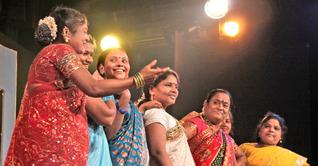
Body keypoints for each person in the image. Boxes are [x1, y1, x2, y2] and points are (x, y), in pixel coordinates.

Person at [5, 6, 167, 165]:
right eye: (84, 31)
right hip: (53, 149)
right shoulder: (60, 50)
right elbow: (94, 88)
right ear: (67, 33)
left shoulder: (52, 55)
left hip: (54, 149)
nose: (86, 36)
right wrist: (137, 79)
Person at [96, 48, 150, 165]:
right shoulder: (100, 97)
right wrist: (124, 100)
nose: (120, 63)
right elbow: (108, 135)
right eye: (113, 60)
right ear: (102, 68)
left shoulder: (131, 104)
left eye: (124, 61)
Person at [141, 70, 195, 166]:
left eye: (176, 86)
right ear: (152, 89)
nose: (174, 90)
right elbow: (157, 152)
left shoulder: (162, 114)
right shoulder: (155, 113)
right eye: (168, 85)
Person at [182, 88, 237, 166]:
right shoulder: (195, 124)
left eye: (225, 105)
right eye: (215, 103)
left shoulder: (226, 138)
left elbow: (241, 156)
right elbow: (171, 144)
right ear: (205, 104)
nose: (220, 108)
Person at [239, 112, 310, 166]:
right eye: (267, 126)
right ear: (259, 131)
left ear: (281, 136)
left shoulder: (290, 157)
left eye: (276, 128)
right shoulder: (245, 148)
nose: (271, 130)